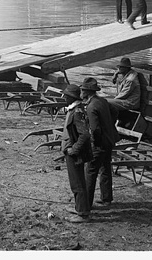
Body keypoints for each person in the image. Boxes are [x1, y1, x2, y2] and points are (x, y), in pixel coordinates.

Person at [81, 77, 117, 210]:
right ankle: (106, 199)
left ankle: (86, 204)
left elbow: (95, 129)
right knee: (105, 168)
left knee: (90, 172)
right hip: (109, 140)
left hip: (99, 144)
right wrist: (108, 125)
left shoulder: (91, 107)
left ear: (87, 92)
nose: (81, 92)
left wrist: (93, 143)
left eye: (82, 90)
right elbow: (115, 112)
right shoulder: (102, 101)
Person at [59, 83, 92, 223]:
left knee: (77, 183)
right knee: (77, 181)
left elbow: (84, 134)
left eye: (66, 96)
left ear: (71, 97)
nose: (64, 98)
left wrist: (74, 150)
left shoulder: (77, 112)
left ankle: (83, 213)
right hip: (71, 151)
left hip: (75, 153)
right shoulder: (74, 110)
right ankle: (79, 207)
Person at [108, 57, 142, 121]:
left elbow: (123, 95)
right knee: (105, 102)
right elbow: (113, 81)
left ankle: (110, 123)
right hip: (124, 101)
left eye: (121, 67)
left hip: (130, 103)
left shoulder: (130, 79)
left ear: (126, 68)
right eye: (119, 67)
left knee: (106, 103)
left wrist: (113, 101)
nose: (119, 69)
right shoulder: (125, 73)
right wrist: (115, 75)